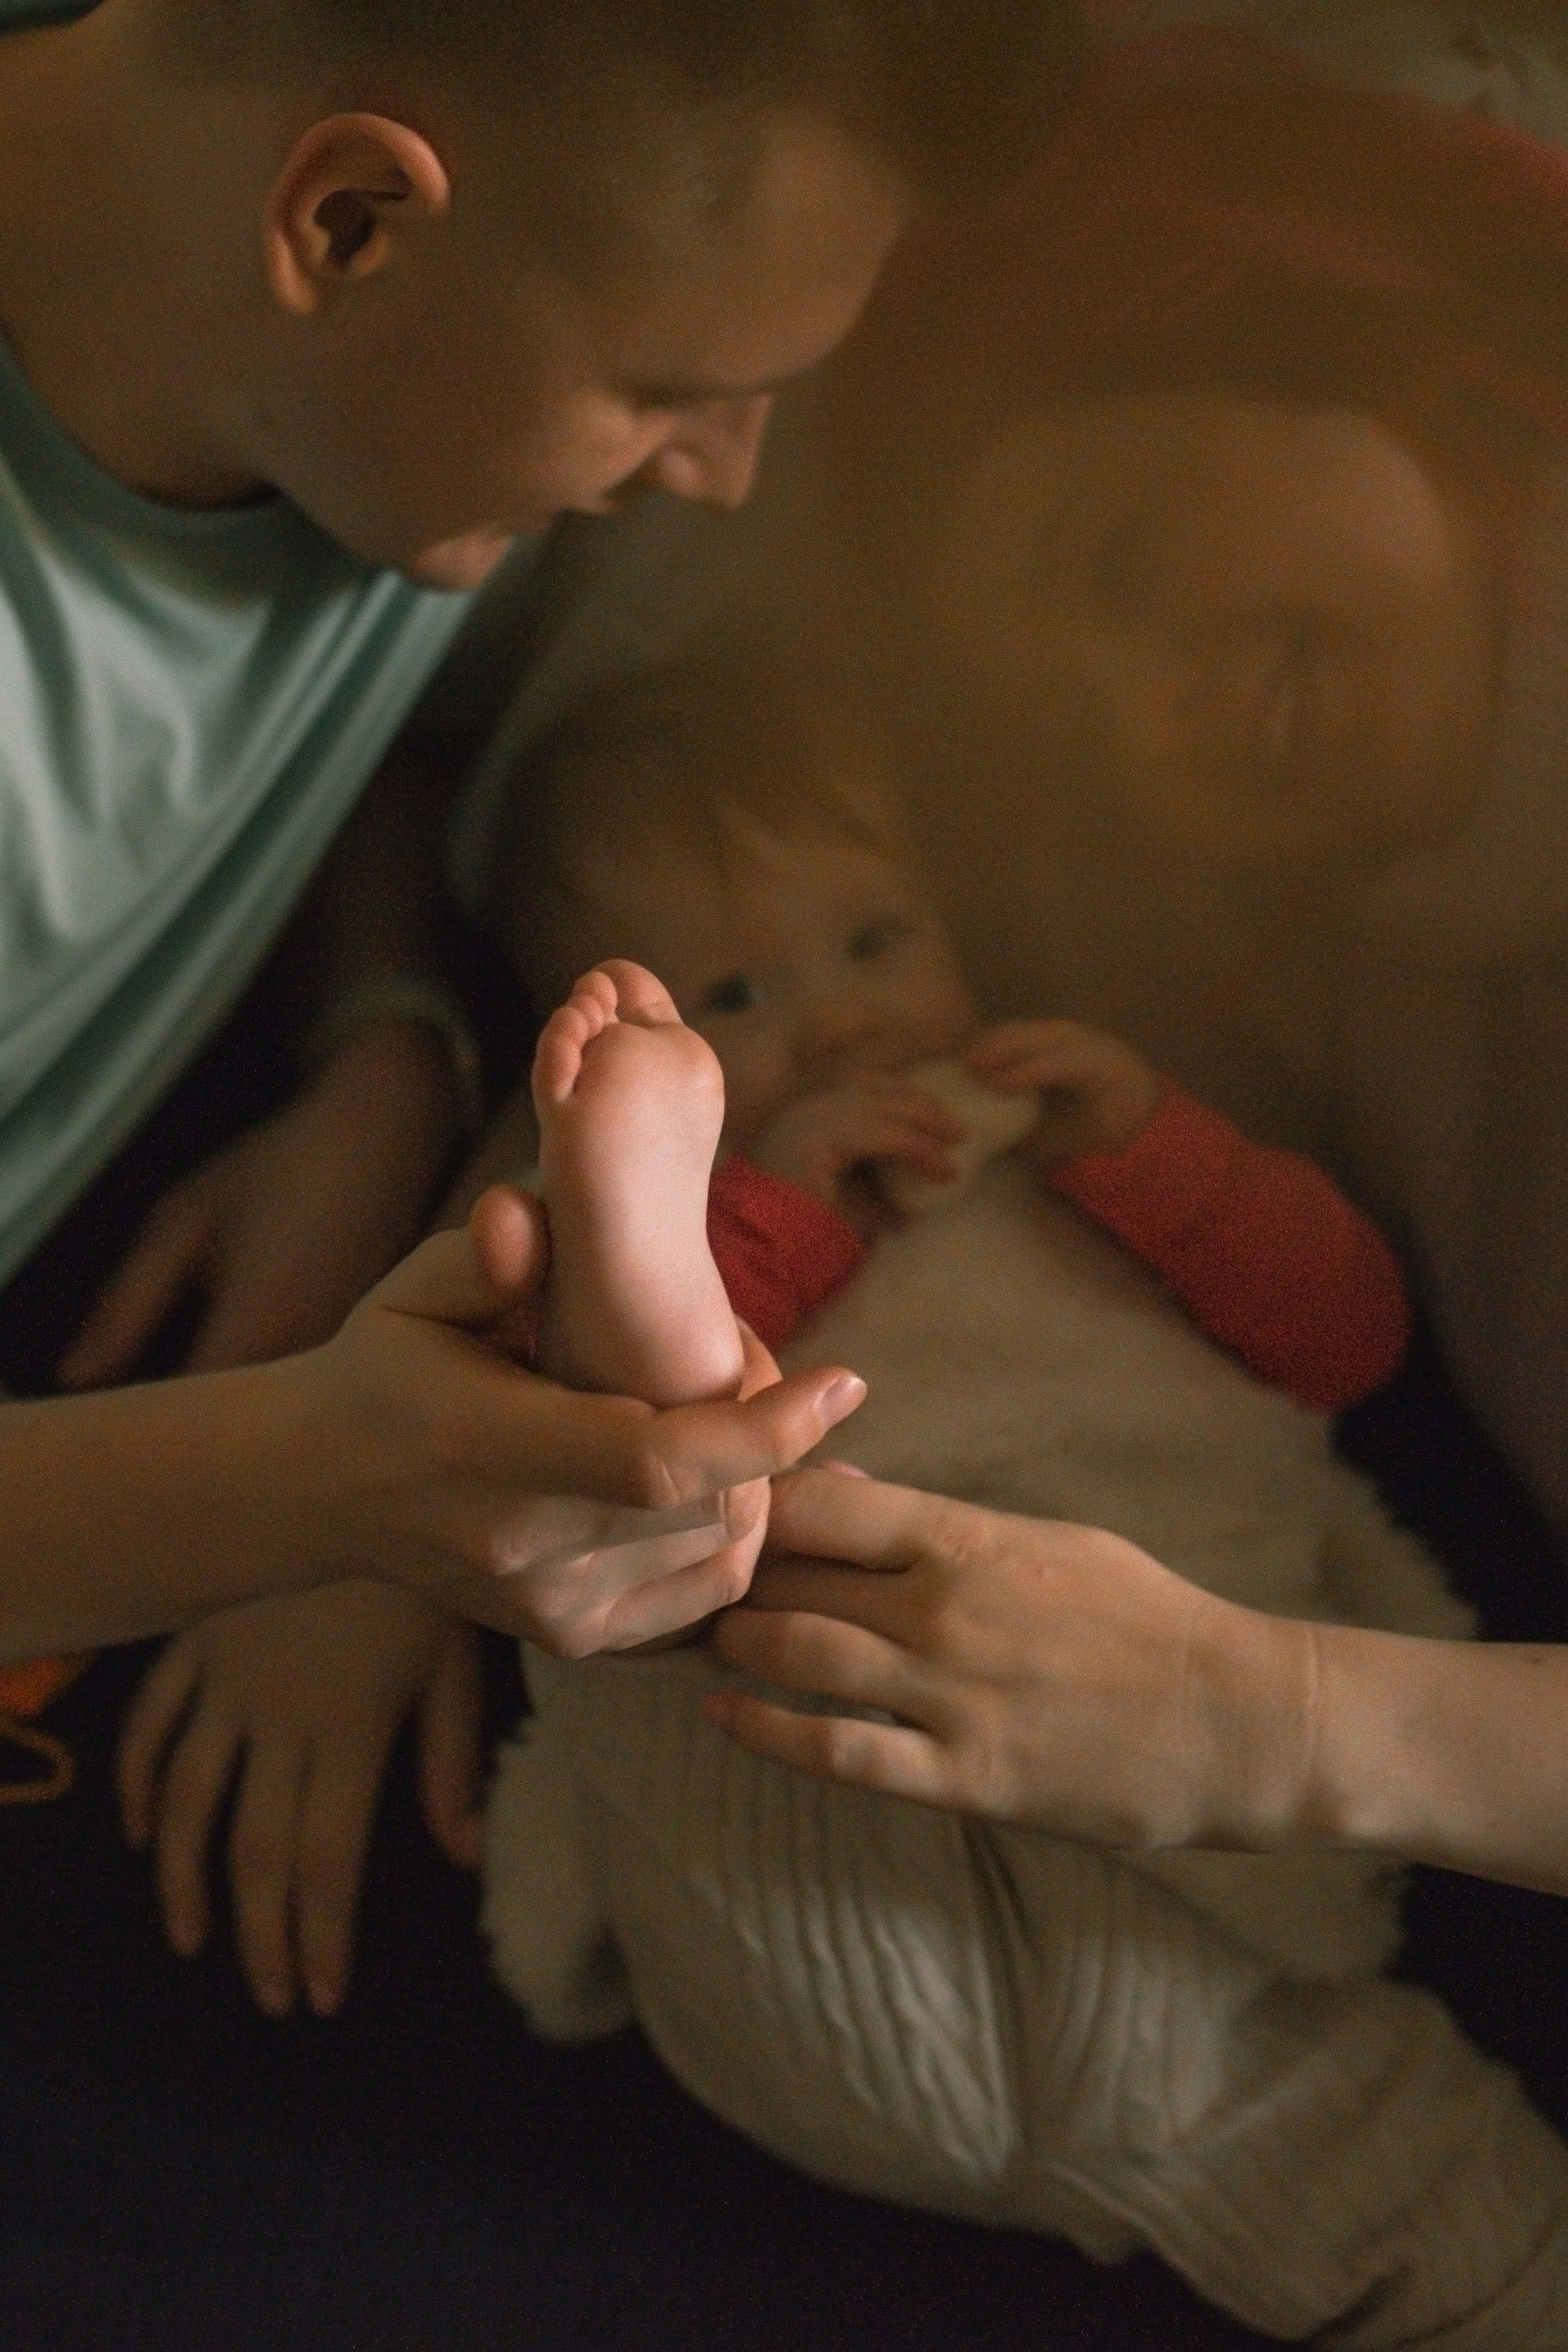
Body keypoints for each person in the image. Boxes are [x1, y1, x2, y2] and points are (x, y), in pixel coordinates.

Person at [0, 0, 1080, 2010]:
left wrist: (387, 1049)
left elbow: (377, 735)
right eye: (670, 393)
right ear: (342, 226)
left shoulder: (379, 390)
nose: (723, 478)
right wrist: (312, 1493)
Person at [465, 667, 1568, 2341]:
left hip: (1189, 1870)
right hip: (801, 1830)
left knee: (1463, 2221)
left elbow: (1343, 1340)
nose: (843, 1020)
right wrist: (779, 1209)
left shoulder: (1073, 1146)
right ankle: (625, 1261)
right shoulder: (748, 1216)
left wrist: (1151, 1147)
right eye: (740, 993)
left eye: (878, 938)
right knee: (639, 1508)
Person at [687, 28, 1568, 1906]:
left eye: (1122, 556)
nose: (1158, 720)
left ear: (1325, 339)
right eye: (1077, 754)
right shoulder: (1362, 994)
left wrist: (1269, 1718)